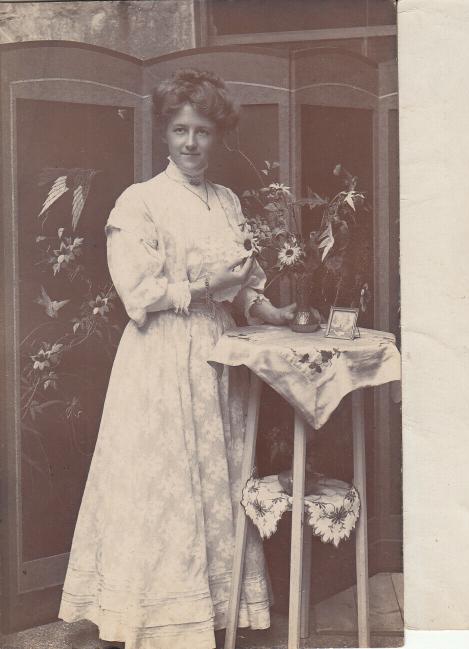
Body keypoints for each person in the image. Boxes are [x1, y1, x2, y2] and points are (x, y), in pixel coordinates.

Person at [59, 69, 296, 648]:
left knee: (213, 479)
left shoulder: (227, 202)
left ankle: (212, 611)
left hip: (217, 357)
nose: (192, 143)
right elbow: (138, 292)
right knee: (161, 483)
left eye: (204, 132)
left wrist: (271, 312)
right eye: (181, 130)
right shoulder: (139, 202)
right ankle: (151, 615)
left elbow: (241, 284)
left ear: (218, 137)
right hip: (160, 361)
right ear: (164, 133)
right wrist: (201, 283)